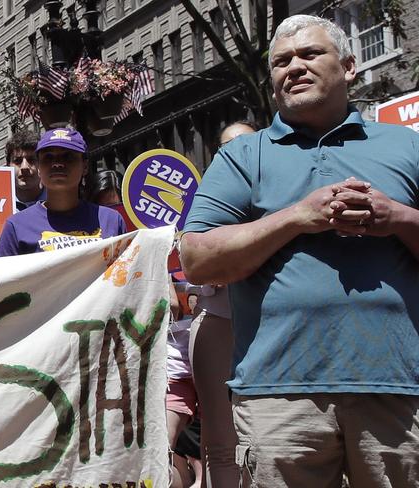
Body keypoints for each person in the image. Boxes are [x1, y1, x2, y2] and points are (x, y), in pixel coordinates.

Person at [180, 14, 419, 488]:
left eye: (309, 54)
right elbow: (197, 257)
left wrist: (397, 217)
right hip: (279, 397)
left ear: (350, 66)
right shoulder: (242, 156)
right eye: (280, 61)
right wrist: (297, 217)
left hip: (394, 391)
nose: (293, 67)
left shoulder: (405, 145)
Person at [188, 120, 258, 488]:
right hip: (217, 320)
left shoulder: (277, 195)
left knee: (264, 428)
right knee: (219, 435)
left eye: (246, 143)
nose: (238, 151)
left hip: (268, 327)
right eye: (228, 146)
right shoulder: (206, 199)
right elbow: (189, 266)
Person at [0, 128, 126, 257]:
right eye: (48, 157)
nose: (57, 164)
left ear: (85, 166)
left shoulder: (112, 220)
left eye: (68, 157)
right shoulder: (16, 227)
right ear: (40, 168)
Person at [6, 130, 47, 211]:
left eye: (31, 160)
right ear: (8, 165)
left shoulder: (58, 203)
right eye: (17, 161)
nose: (24, 167)